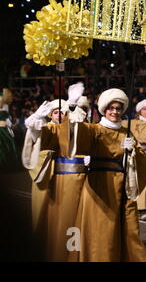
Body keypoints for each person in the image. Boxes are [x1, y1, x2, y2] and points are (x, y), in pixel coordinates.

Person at [24, 83, 146, 261]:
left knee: (124, 229)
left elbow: (142, 164)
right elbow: (73, 135)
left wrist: (133, 154)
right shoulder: (95, 129)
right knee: (99, 229)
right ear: (104, 110)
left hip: (122, 189)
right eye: (111, 108)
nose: (114, 112)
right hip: (99, 187)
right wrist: (72, 106)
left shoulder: (126, 133)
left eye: (118, 108)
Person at [22, 90, 90, 261]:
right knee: (44, 219)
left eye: (62, 112)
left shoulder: (72, 129)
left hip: (69, 181)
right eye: (56, 112)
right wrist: (36, 118)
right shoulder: (48, 128)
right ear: (50, 114)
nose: (59, 115)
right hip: (47, 179)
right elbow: (34, 136)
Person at [123, 99, 146, 222]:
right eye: (144, 109)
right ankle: (143, 208)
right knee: (142, 179)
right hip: (138, 153)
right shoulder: (132, 123)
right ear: (139, 110)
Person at [0, 88, 18, 172]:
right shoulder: (5, 104)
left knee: (6, 144)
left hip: (4, 128)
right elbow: (7, 117)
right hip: (4, 128)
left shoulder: (5, 105)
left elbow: (7, 117)